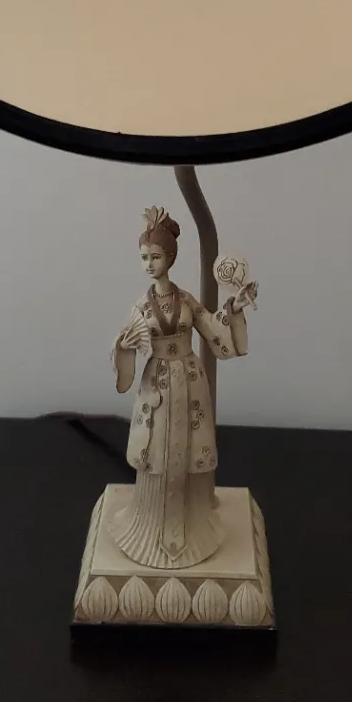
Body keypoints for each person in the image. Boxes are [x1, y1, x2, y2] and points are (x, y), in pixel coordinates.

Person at [111, 207, 258, 569]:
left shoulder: (187, 300)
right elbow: (124, 350)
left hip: (190, 383)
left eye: (155, 257)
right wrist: (124, 347)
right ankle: (148, 523)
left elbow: (213, 329)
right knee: (155, 450)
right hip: (157, 386)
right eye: (144, 257)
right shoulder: (140, 307)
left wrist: (234, 307)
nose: (149, 264)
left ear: (171, 258)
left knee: (191, 448)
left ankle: (196, 520)